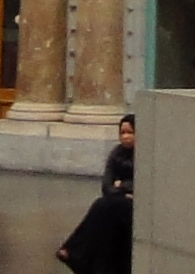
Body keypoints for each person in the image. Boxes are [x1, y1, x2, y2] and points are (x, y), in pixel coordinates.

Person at [59, 116, 140, 274]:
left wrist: (121, 184)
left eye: (130, 132)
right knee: (104, 206)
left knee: (102, 206)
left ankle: (74, 249)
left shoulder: (143, 156)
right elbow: (106, 186)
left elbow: (142, 182)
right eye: (122, 132)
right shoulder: (116, 153)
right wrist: (123, 190)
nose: (125, 137)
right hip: (119, 199)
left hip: (133, 202)